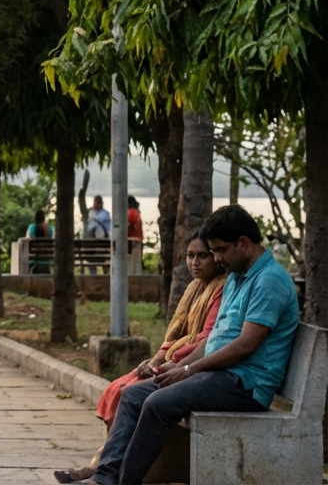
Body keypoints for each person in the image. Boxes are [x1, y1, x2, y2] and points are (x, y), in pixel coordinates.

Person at [91, 205, 299, 485]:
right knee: (134, 395)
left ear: (244, 243)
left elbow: (244, 347)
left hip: (246, 383)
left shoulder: (269, 281)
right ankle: (104, 478)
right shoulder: (237, 277)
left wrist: (189, 369)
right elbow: (216, 341)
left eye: (220, 250)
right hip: (219, 374)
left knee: (156, 403)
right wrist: (177, 366)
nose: (216, 258)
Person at [54, 235, 226, 483]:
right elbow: (176, 333)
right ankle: (103, 468)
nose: (195, 263)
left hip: (194, 366)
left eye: (203, 255)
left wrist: (174, 363)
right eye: (190, 255)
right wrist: (156, 358)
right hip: (179, 360)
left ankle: (102, 470)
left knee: (133, 392)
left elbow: (207, 339)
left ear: (216, 259)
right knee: (120, 388)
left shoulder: (221, 289)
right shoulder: (194, 289)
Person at [26, 209, 52, 274]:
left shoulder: (31, 227)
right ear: (44, 218)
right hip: (47, 258)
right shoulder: (50, 228)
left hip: (35, 258)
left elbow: (27, 240)